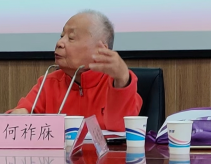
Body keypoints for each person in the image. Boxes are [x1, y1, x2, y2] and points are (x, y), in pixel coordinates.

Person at [9, 10, 142, 131]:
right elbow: (14, 121)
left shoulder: (118, 85)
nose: (59, 43)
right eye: (61, 36)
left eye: (71, 38)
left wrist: (122, 78)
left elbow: (121, 128)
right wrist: (19, 115)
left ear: (101, 49)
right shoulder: (49, 83)